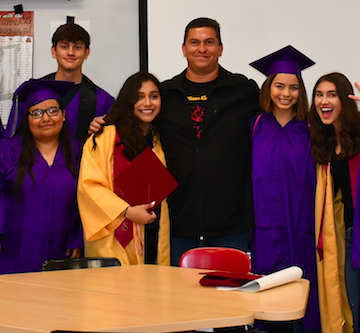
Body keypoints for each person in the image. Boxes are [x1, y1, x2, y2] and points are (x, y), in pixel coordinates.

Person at [160, 18, 260, 265]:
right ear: (184, 49)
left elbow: (283, 118)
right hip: (176, 227)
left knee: (229, 303)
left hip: (231, 229)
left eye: (209, 42)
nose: (201, 49)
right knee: (178, 303)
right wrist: (102, 122)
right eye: (194, 42)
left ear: (221, 49)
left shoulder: (244, 91)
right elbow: (133, 131)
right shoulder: (164, 95)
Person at [249, 46, 320, 333]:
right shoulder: (255, 125)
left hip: (302, 226)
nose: (286, 93)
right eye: (279, 85)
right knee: (266, 301)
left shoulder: (312, 127)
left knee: (303, 297)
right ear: (269, 87)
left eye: (293, 87)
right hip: (263, 228)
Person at [77, 72, 170, 265]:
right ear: (128, 101)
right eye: (139, 97)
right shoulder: (105, 136)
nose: (148, 103)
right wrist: (127, 211)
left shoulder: (159, 140)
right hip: (116, 237)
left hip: (154, 233)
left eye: (154, 96)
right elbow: (89, 187)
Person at [0, 79, 83, 274]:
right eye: (36, 113)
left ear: (63, 115)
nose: (45, 119)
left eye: (52, 111)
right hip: (14, 251)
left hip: (64, 253)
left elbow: (88, 198)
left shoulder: (79, 152)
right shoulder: (8, 151)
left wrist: (78, 238)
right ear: (26, 119)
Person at [309, 72, 360, 333]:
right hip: (349, 238)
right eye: (319, 95)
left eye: (331, 94)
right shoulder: (326, 144)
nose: (323, 101)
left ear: (345, 100)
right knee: (353, 308)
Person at [5, 23, 114, 142]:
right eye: (64, 47)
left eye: (77, 47)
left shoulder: (103, 101)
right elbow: (13, 142)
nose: (70, 52)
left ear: (86, 53)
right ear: (54, 51)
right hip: (34, 160)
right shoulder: (32, 92)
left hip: (81, 160)